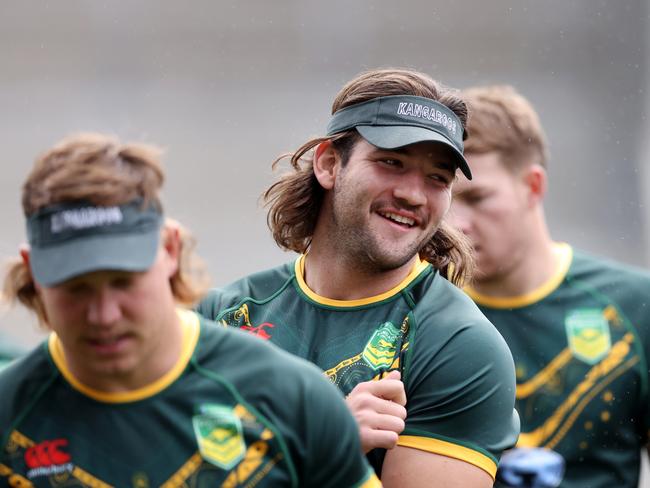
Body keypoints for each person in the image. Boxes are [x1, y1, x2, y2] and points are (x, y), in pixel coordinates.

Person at [197, 68, 520, 487]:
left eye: (437, 177)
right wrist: (326, 443)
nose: (413, 194)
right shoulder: (221, 315)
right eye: (391, 162)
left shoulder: (457, 345)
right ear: (330, 163)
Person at [0, 133, 380, 488]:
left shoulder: (292, 399)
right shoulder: (9, 416)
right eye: (76, 289)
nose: (104, 315)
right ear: (33, 271)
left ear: (169, 249)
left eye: (123, 281)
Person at [449, 85, 650, 488]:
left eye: (477, 197)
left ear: (533, 187)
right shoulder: (418, 310)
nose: (456, 223)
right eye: (446, 196)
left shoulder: (635, 305)